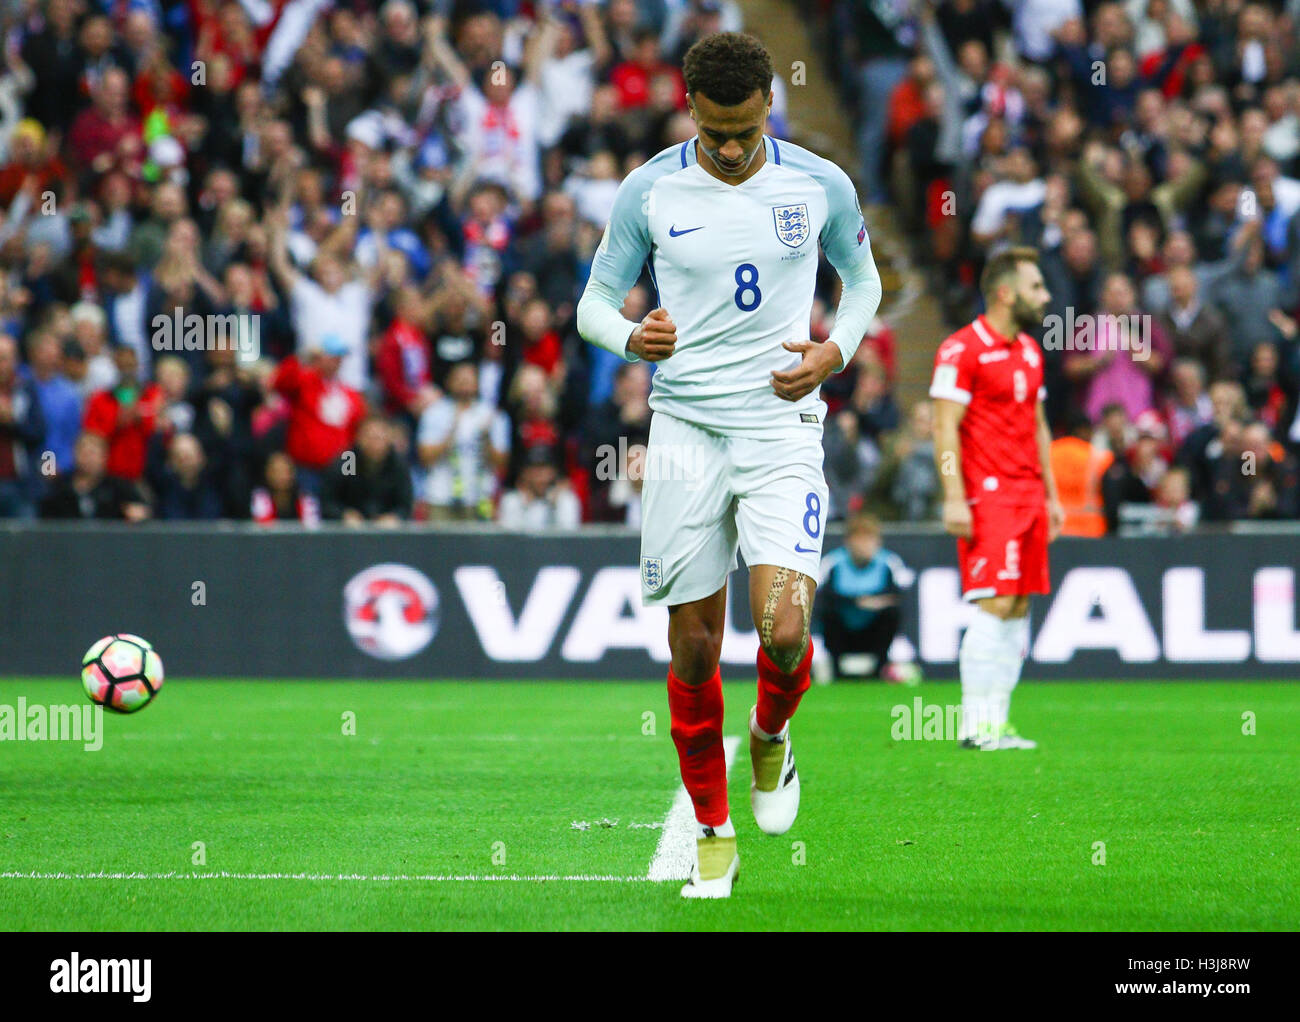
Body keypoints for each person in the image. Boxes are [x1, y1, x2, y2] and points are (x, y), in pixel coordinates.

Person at [576, 33, 883, 898]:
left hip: (783, 428)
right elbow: (593, 303)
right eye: (716, 133)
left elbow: (863, 285)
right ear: (690, 109)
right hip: (683, 435)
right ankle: (713, 830)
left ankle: (771, 736)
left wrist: (837, 350)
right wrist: (632, 335)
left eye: (745, 130)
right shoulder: (650, 190)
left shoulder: (819, 184)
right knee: (693, 643)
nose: (733, 148)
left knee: (785, 632)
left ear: (767, 108)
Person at [930, 246, 1063, 751]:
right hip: (988, 495)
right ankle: (973, 725)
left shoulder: (1030, 351)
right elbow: (945, 428)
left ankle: (998, 723)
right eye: (1036, 287)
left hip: (1029, 495)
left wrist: (1052, 494)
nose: (1046, 296)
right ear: (1005, 293)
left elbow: (1039, 426)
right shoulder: (960, 350)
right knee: (996, 602)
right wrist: (953, 496)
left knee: (1019, 606)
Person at [815, 514, 915, 682]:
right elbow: (824, 596)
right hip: (843, 630)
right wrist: (857, 602)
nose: (864, 545)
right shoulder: (833, 562)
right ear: (848, 541)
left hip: (873, 629)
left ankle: (880, 667)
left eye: (869, 538)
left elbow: (899, 594)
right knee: (828, 614)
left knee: (891, 614)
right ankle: (836, 668)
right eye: (859, 538)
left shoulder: (888, 562)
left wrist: (876, 602)